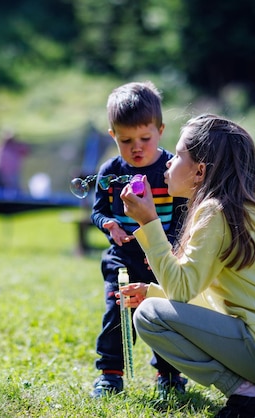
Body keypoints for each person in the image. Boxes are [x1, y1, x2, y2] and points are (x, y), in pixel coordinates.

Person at [119, 114, 255, 417]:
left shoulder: (215, 212)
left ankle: (252, 399)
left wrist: (148, 222)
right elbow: (215, 298)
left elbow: (181, 289)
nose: (168, 162)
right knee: (155, 305)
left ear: (200, 171)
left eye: (177, 155)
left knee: (150, 317)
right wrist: (154, 292)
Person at [89, 81, 188, 399]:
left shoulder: (172, 169)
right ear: (112, 135)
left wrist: (168, 247)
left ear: (160, 130)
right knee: (118, 311)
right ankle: (110, 374)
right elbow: (99, 211)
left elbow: (184, 215)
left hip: (164, 254)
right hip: (125, 255)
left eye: (145, 138)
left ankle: (169, 375)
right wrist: (110, 226)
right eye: (126, 140)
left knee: (166, 313)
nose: (137, 147)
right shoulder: (111, 170)